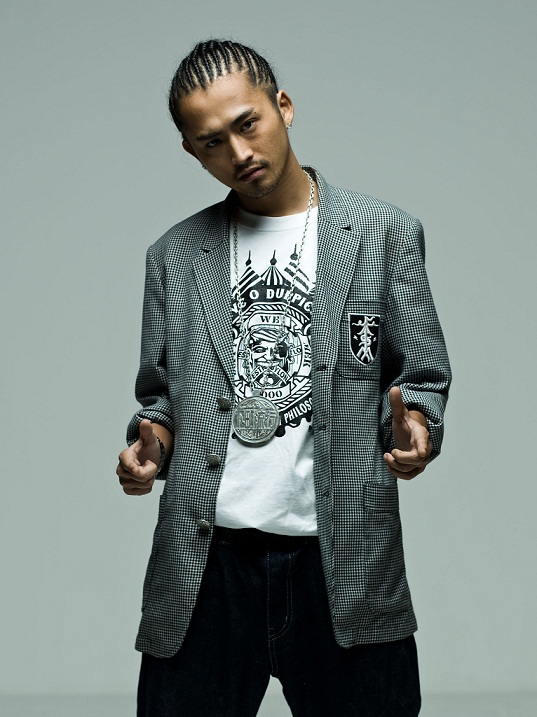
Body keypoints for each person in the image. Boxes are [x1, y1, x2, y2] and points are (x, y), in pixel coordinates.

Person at [116, 39, 451, 717]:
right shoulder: (173, 257)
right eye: (212, 143)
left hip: (343, 557)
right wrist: (149, 444)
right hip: (207, 568)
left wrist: (415, 425)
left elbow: (420, 376)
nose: (238, 152)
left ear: (284, 106)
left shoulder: (382, 234)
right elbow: (160, 400)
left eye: (248, 124)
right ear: (191, 152)